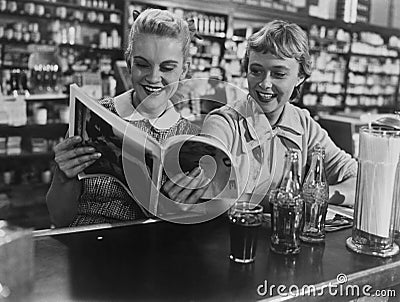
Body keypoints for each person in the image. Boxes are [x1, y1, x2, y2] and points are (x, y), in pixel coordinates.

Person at [165, 20, 357, 208]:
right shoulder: (224, 123)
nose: (265, 83)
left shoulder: (304, 125)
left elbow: (358, 180)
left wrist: (318, 194)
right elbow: (213, 194)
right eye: (256, 71)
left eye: (279, 74)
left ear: (300, 77)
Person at [46, 8, 201, 227]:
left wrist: (185, 211)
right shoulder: (92, 116)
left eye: (167, 67)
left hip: (153, 251)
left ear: (184, 71)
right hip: (88, 244)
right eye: (142, 64)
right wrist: (63, 176)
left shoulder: (192, 139)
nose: (154, 77)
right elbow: (58, 218)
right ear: (129, 63)